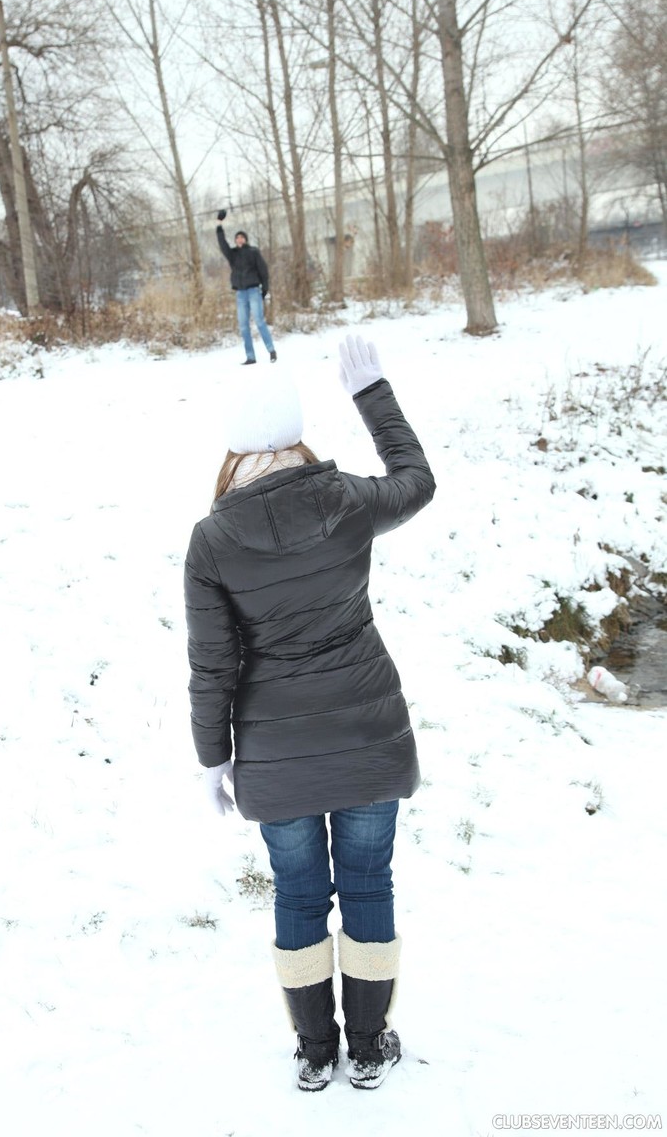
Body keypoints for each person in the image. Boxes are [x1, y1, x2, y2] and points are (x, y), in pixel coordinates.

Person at [184, 335, 435, 1093]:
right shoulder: (345, 502)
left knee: (298, 895)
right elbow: (416, 481)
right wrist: (373, 397)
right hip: (366, 738)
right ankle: (367, 1046)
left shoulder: (213, 539)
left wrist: (213, 756)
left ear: (231, 443)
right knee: (367, 886)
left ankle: (316, 1051)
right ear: (295, 428)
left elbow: (211, 666)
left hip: (275, 755)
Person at [216, 209, 276, 365]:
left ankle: (271, 350)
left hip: (253, 290)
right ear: (235, 241)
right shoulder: (233, 254)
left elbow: (263, 270)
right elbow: (222, 244)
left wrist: (265, 288)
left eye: (242, 237)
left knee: (259, 321)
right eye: (237, 238)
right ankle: (250, 356)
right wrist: (219, 224)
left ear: (246, 239)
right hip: (240, 293)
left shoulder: (253, 252)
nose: (239, 239)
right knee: (243, 326)